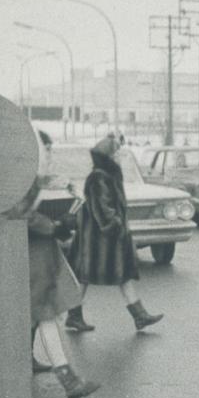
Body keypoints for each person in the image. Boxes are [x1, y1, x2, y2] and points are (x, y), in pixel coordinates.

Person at [17, 131, 98, 398]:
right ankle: (68, 380)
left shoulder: (17, 173)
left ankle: (27, 360)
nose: (49, 153)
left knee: (37, 312)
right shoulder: (16, 179)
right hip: (30, 252)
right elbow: (21, 212)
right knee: (45, 312)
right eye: (46, 148)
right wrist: (54, 225)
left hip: (34, 252)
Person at [67, 134, 163, 333]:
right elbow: (103, 209)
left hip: (99, 238)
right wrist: (116, 227)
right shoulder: (100, 177)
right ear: (109, 155)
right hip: (100, 239)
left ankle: (139, 316)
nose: (120, 154)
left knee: (114, 275)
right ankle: (138, 316)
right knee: (95, 276)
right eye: (117, 151)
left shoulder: (107, 174)